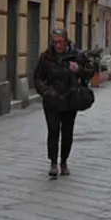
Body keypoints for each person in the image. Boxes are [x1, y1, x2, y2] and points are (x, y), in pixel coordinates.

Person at [34, 29, 93, 179]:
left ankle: (64, 162)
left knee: (67, 132)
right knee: (53, 130)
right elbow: (37, 78)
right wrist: (45, 91)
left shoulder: (77, 55)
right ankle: (53, 162)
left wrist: (78, 69)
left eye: (60, 42)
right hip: (52, 100)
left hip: (70, 99)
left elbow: (90, 71)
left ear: (66, 41)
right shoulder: (46, 57)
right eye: (55, 42)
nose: (57, 45)